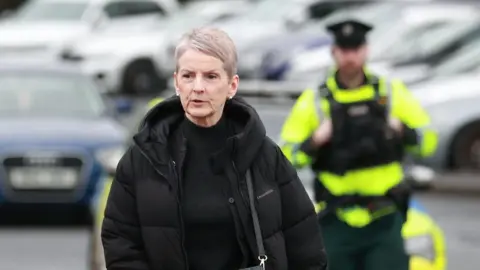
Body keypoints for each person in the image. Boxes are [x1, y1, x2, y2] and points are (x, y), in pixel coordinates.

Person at [102, 27, 328, 270]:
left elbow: (305, 245)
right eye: (189, 76)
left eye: (211, 76)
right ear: (177, 82)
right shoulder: (145, 157)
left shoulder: (263, 155)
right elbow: (120, 241)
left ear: (232, 85)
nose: (198, 87)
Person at [279, 19, 438, 270]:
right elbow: (286, 157)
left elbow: (428, 143)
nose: (350, 56)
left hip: (384, 217)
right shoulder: (315, 100)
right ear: (334, 52)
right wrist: (316, 140)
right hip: (335, 219)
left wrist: (401, 129)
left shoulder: (390, 93)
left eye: (356, 49)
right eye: (344, 50)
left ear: (366, 50)